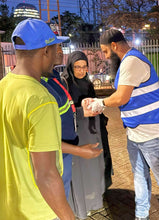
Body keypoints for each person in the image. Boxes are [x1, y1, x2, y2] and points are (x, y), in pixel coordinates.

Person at [89, 29, 159, 220]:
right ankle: (141, 216)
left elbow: (122, 97)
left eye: (106, 52)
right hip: (136, 134)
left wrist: (100, 103)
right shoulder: (128, 61)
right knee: (140, 178)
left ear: (114, 46)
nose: (106, 57)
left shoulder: (132, 61)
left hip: (152, 135)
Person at [0, 18, 75, 219]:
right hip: (37, 211)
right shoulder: (41, 100)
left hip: (9, 207)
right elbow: (47, 176)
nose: (56, 56)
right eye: (54, 48)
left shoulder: (3, 87)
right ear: (45, 51)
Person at [40, 41, 103, 199]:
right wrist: (78, 150)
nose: (60, 51)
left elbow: (67, 110)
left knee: (66, 187)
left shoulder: (55, 79)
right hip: (61, 150)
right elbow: (41, 139)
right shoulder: (41, 84)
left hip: (71, 145)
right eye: (56, 47)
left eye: (61, 47)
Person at [62, 51, 113, 219]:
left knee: (94, 165)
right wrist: (81, 110)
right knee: (80, 169)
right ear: (71, 67)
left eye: (84, 67)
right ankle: (80, 205)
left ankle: (92, 198)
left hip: (92, 129)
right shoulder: (65, 84)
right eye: (77, 67)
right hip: (77, 132)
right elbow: (66, 111)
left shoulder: (87, 82)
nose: (81, 70)